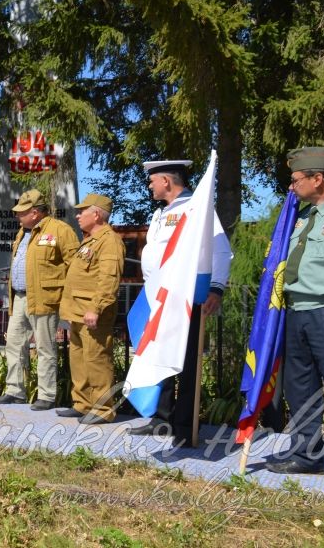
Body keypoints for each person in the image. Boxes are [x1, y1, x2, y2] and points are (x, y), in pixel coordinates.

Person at [266, 146, 324, 492]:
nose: (291, 186)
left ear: (318, 179)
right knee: (300, 388)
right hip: (298, 312)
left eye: (296, 179)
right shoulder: (303, 217)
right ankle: (307, 453)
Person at [127, 160, 232, 444]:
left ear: (166, 181)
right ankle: (161, 419)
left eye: (153, 180)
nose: (150, 185)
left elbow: (220, 250)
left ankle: (184, 427)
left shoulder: (197, 209)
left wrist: (216, 289)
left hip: (184, 298)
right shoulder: (161, 213)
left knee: (185, 362)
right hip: (159, 298)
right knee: (160, 357)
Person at [0, 190, 79, 409]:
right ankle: (15, 391)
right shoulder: (22, 232)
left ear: (36, 213)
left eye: (22, 212)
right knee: (14, 344)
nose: (18, 216)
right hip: (20, 297)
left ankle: (47, 396)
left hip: (45, 298)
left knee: (45, 348)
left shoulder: (60, 230)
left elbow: (75, 266)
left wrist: (67, 297)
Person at [57, 194, 125, 425]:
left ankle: (103, 409)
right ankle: (83, 404)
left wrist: (95, 308)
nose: (77, 215)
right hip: (77, 312)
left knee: (97, 360)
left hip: (92, 313)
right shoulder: (91, 240)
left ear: (96, 214)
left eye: (82, 211)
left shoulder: (110, 241)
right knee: (79, 360)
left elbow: (108, 279)